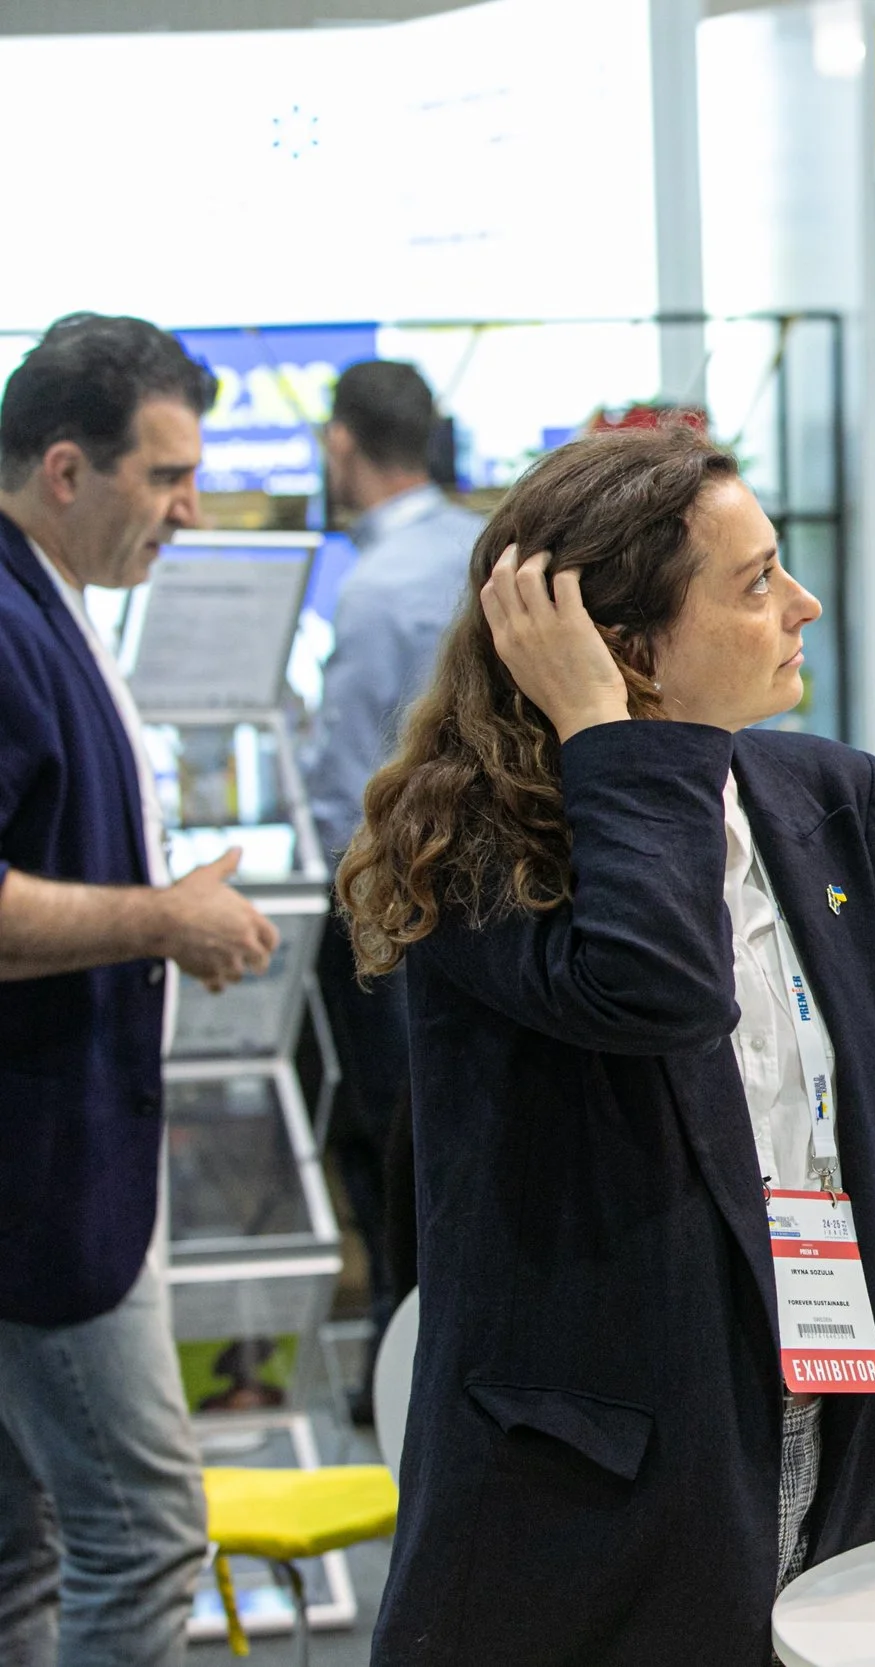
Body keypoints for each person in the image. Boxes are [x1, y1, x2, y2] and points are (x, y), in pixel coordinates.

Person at [339, 425, 875, 1660]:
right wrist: (610, 735)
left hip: (831, 1446)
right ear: (626, 647)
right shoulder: (476, 852)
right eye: (755, 583)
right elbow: (658, 986)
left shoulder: (828, 798)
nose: (801, 603)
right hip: (591, 1515)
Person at [0, 314, 280, 1664]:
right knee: (144, 1532)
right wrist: (161, 917)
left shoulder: (46, 606)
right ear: (67, 468)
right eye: (166, 476)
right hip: (39, 1190)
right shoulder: (6, 621)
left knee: (24, 1550)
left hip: (60, 1160)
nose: (191, 506)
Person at [303, 358, 484, 1416]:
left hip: (401, 914)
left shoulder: (373, 590)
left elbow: (341, 796)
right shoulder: (481, 553)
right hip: (497, 905)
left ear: (342, 444)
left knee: (391, 1140)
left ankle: (396, 1363)